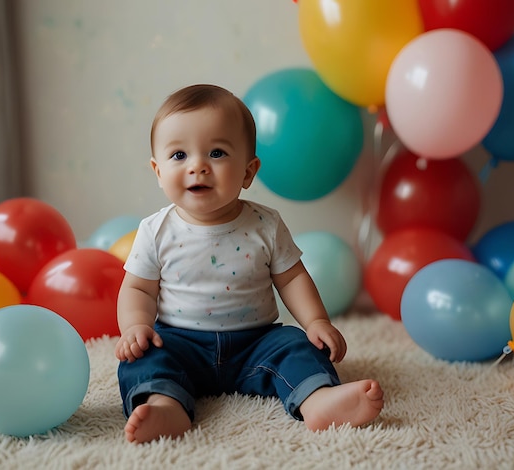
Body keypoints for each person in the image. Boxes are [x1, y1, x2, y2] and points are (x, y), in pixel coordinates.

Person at [115, 84, 384, 444]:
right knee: (143, 358)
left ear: (248, 171)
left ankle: (317, 399)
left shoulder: (266, 224)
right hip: (179, 342)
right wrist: (135, 327)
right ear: (158, 171)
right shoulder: (155, 230)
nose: (197, 167)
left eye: (216, 152)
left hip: (256, 342)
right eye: (179, 155)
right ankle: (165, 405)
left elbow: (292, 279)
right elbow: (137, 287)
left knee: (296, 344)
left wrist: (316, 321)